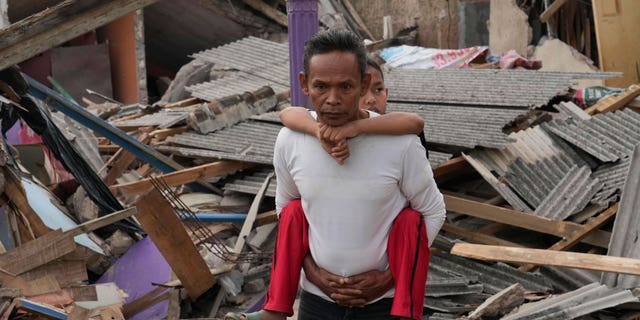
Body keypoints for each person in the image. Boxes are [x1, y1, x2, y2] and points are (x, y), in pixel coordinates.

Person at [226, 29, 445, 320]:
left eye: (345, 86)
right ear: (304, 84)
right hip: (318, 303)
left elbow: (433, 212)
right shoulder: (291, 140)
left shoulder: (400, 143)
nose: (332, 99)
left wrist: (388, 277)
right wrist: (313, 273)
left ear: (364, 83)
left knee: (411, 219)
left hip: (385, 306)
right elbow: (287, 210)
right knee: (293, 211)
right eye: (321, 87)